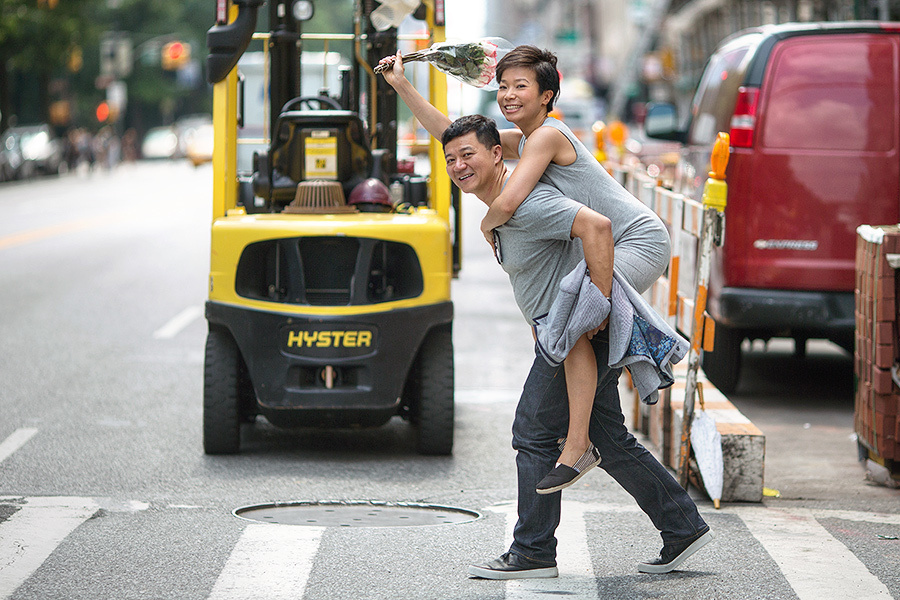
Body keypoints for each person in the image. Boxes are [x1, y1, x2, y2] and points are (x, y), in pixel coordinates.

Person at [438, 114, 712, 579]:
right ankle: (682, 526)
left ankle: (533, 552)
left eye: (469, 155)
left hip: (581, 324)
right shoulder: (504, 204)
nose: (460, 165)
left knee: (534, 430)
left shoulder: (526, 205)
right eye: (451, 159)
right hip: (560, 332)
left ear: (497, 154)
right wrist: (402, 84)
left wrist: (598, 306)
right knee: (606, 433)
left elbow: (598, 226)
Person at [381, 47, 615, 493]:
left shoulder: (545, 140)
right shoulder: (522, 142)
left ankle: (567, 467)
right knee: (606, 424)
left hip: (631, 242)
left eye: (519, 86)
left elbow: (512, 205)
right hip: (603, 244)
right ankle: (679, 526)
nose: (507, 94)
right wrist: (402, 86)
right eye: (503, 85)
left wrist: (488, 226)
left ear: (547, 95)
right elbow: (451, 137)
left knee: (559, 367)